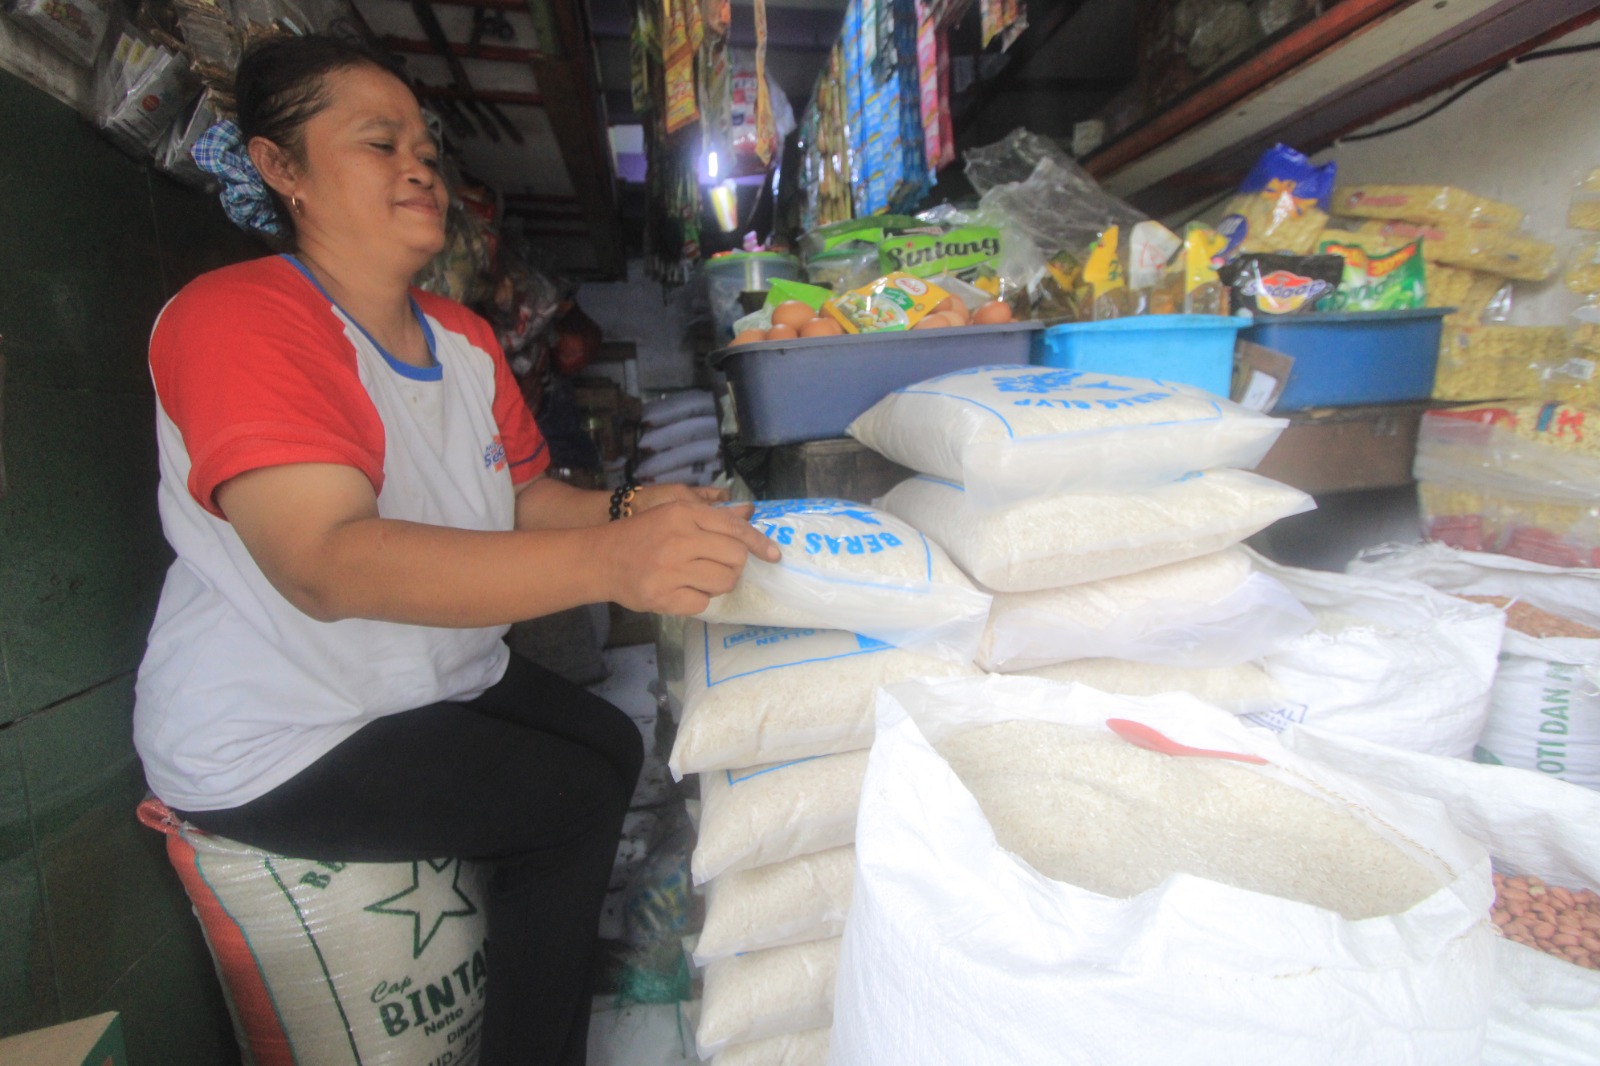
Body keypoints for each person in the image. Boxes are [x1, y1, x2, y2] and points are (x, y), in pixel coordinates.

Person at [134, 34, 777, 1065]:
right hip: (283, 724)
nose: (419, 167)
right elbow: (328, 561)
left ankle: (544, 970)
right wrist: (615, 563)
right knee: (567, 801)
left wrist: (628, 507)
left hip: (421, 678)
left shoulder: (462, 339)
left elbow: (522, 499)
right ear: (280, 166)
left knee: (610, 746)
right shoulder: (239, 319)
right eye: (378, 144)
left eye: (425, 148)